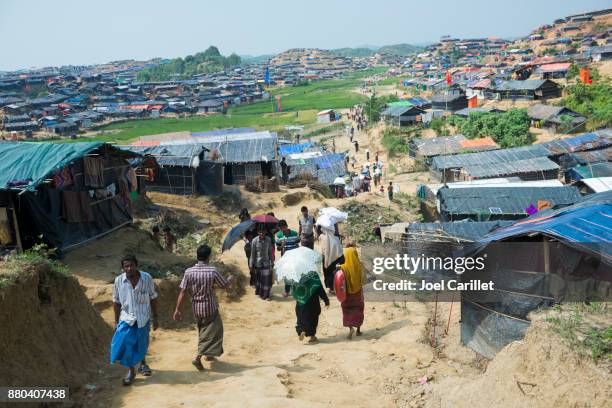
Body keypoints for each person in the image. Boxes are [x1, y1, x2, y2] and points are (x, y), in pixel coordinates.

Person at [173, 245, 231, 371]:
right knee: (215, 331)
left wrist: (177, 309)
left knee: (203, 331)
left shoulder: (189, 272)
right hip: (210, 307)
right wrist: (229, 280)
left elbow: (182, 291)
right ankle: (198, 357)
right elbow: (224, 285)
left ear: (197, 256)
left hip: (196, 307)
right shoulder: (212, 271)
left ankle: (209, 355)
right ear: (209, 257)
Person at [110, 255, 159, 385]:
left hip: (143, 318)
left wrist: (156, 317)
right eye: (126, 266)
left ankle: (143, 364)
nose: (129, 268)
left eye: (131, 265)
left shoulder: (146, 278)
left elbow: (153, 297)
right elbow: (116, 302)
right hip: (126, 318)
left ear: (136, 265)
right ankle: (131, 371)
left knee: (141, 343)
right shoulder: (119, 281)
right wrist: (116, 321)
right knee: (126, 344)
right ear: (123, 268)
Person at [336, 247, 366, 339]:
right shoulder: (361, 265)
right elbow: (364, 279)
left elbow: (339, 281)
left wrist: (338, 267)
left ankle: (350, 329)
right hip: (358, 293)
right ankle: (358, 330)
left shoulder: (343, 268)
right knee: (359, 309)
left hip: (347, 295)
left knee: (347, 310)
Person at [293, 272, 329, 344]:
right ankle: (312, 337)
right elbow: (319, 288)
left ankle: (300, 330)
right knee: (313, 318)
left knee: (301, 317)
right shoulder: (313, 275)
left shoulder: (296, 274)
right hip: (313, 302)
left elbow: (293, 289)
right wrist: (326, 300)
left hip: (301, 301)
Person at [275, 220, 300, 297]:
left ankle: (296, 291)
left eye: (283, 227)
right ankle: (287, 291)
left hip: (294, 257)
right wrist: (282, 245)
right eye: (281, 228)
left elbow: (298, 243)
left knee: (295, 274)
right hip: (285, 259)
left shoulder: (295, 233)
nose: (283, 229)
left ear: (286, 226)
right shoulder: (279, 235)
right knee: (287, 275)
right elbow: (278, 249)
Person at [249, 225, 274, 300]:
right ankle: (261, 293)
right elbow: (252, 254)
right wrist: (251, 264)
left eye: (263, 232)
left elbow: (270, 252)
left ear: (266, 232)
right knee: (260, 279)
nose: (261, 234)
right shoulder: (254, 241)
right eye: (260, 232)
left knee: (266, 279)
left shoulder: (268, 240)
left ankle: (266, 295)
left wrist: (272, 262)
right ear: (257, 232)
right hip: (258, 263)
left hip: (266, 262)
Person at [318, 226, 344, 294]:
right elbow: (339, 251)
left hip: (326, 259)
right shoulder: (336, 238)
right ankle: (334, 287)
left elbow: (323, 250)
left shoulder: (321, 237)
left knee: (327, 273)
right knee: (333, 273)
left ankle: (331, 288)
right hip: (335, 259)